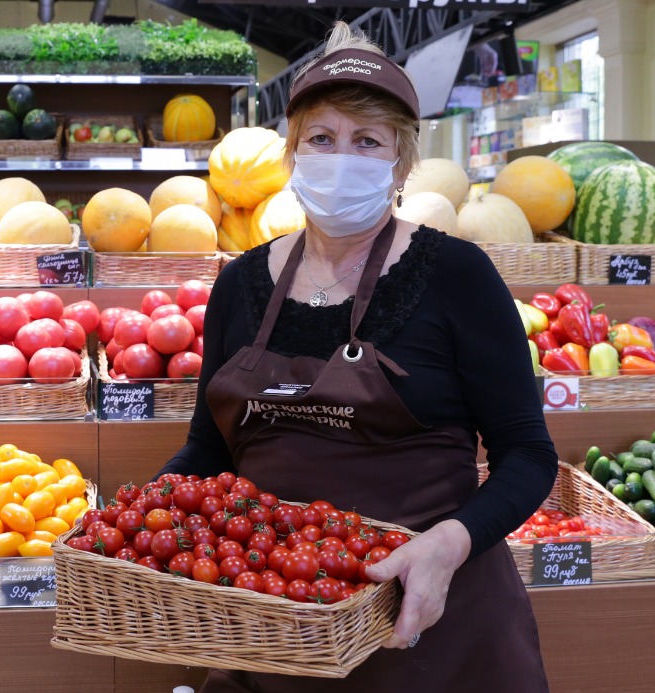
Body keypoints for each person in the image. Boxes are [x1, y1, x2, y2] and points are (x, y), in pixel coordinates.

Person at [155, 22, 558, 693]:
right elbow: (209, 449)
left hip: (434, 627)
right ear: (293, 154)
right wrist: (146, 508)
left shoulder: (457, 275)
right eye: (322, 138)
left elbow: (527, 453)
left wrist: (449, 542)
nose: (342, 157)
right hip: (280, 626)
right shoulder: (238, 285)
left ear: (400, 163)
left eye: (367, 140)